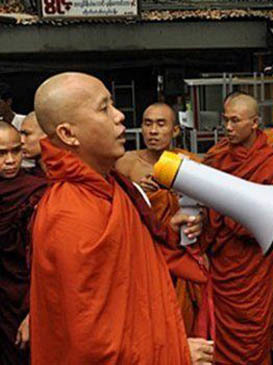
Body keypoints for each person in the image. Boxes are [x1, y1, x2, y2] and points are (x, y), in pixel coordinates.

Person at [29, 72, 213, 364]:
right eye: (104, 108)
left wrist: (166, 230)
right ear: (68, 134)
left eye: (113, 106)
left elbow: (130, 287)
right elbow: (92, 345)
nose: (119, 117)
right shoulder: (69, 214)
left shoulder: (111, 188)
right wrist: (173, 353)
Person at [195, 93, 273, 364]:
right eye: (225, 120)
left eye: (235, 121)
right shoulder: (217, 158)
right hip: (225, 263)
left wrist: (228, 211)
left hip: (254, 265)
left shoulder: (272, 161)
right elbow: (207, 209)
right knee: (221, 341)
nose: (228, 127)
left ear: (254, 123)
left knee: (255, 338)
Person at [115, 102, 207, 334]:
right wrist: (137, 191)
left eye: (161, 124)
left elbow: (209, 209)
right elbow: (116, 209)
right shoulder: (125, 163)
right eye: (148, 124)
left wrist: (199, 220)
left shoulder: (192, 164)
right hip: (142, 253)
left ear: (175, 130)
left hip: (179, 255)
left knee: (181, 322)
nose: (153, 131)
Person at [0, 122, 47, 365]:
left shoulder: (34, 192)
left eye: (15, 151)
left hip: (24, 297)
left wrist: (33, 312)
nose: (10, 160)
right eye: (1, 153)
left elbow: (45, 260)